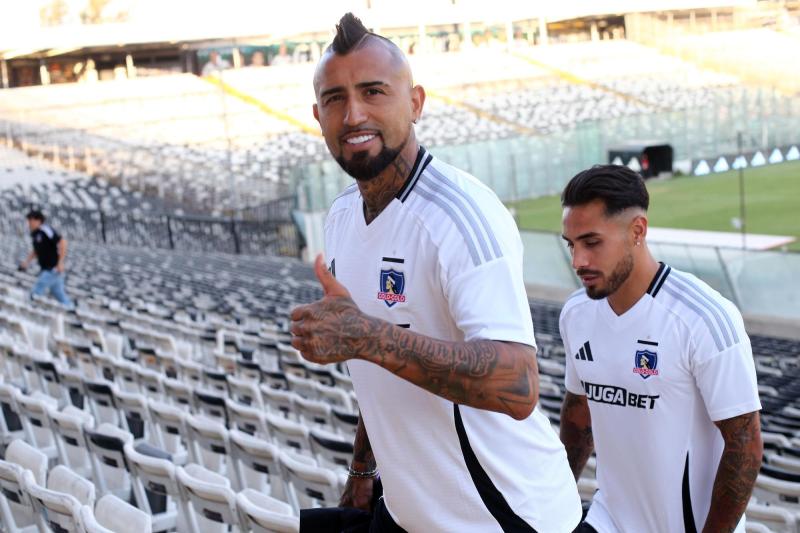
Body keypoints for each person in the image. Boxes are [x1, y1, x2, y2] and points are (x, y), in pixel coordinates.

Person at [289, 12, 581, 532]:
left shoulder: (460, 215)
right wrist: (363, 467)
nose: (353, 113)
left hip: (502, 515)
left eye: (373, 91)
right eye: (335, 98)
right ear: (318, 115)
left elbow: (517, 384)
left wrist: (367, 336)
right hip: (407, 511)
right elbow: (378, 360)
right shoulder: (340, 218)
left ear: (415, 103)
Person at [558, 165, 762, 533]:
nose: (578, 261)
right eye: (571, 245)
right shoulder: (576, 313)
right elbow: (578, 418)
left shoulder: (703, 318)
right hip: (609, 519)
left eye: (592, 242)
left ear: (637, 230)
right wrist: (557, 503)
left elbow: (744, 443)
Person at [19, 210, 74, 309]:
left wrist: (60, 262)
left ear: (38, 220)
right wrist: (26, 262)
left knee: (37, 289)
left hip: (52, 268)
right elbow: (36, 250)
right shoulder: (35, 234)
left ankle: (30, 309)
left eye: (30, 221)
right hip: (47, 268)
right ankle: (71, 309)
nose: (29, 223)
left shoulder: (46, 230)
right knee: (59, 294)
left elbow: (62, 242)